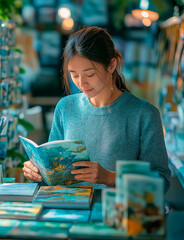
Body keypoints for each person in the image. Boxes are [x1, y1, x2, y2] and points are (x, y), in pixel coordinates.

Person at [22, 26, 171, 192]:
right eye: (74, 74)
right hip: (69, 212)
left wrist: (111, 177)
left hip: (118, 214)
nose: (81, 83)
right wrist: (37, 173)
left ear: (111, 65)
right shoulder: (65, 107)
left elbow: (161, 181)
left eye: (90, 74)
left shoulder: (144, 114)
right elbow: (53, 178)